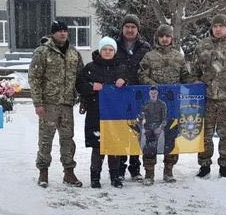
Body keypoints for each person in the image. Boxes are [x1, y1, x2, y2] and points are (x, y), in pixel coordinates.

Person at [190, 13, 226, 179]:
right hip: (207, 98)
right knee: (205, 134)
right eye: (215, 26)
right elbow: (194, 70)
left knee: (225, 134)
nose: (218, 29)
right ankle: (204, 165)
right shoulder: (202, 46)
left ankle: (225, 167)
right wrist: (195, 83)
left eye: (221, 26)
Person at [29, 21, 84, 187]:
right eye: (59, 31)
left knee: (68, 139)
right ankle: (43, 172)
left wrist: (81, 98)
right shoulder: (42, 52)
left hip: (67, 104)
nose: (62, 34)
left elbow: (80, 78)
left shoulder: (74, 54)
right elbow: (34, 78)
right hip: (49, 104)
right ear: (53, 33)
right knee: (46, 139)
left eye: (65, 31)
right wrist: (38, 103)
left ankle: (69, 172)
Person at [75, 36, 132, 188]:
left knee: (114, 146)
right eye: (105, 49)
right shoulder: (90, 68)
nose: (107, 52)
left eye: (110, 49)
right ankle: (95, 177)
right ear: (100, 51)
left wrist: (124, 81)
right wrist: (92, 86)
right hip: (96, 113)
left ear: (114, 51)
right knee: (98, 147)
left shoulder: (121, 67)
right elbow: (80, 85)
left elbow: (131, 83)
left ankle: (114, 176)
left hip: (116, 115)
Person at [139, 24, 193, 183]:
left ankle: (168, 170)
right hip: (153, 105)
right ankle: (149, 173)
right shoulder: (149, 56)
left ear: (172, 38)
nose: (164, 39)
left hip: (173, 105)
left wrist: (195, 85)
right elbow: (141, 75)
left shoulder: (178, 57)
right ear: (157, 38)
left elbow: (186, 77)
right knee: (150, 138)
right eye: (162, 36)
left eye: (167, 36)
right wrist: (155, 87)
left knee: (171, 137)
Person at [115, 14, 152, 180]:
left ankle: (135, 168)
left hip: (139, 96)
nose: (130, 30)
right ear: (122, 28)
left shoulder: (145, 48)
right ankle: (120, 168)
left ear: (138, 29)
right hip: (120, 95)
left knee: (138, 131)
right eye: (127, 27)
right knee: (122, 130)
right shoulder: (114, 46)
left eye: (133, 27)